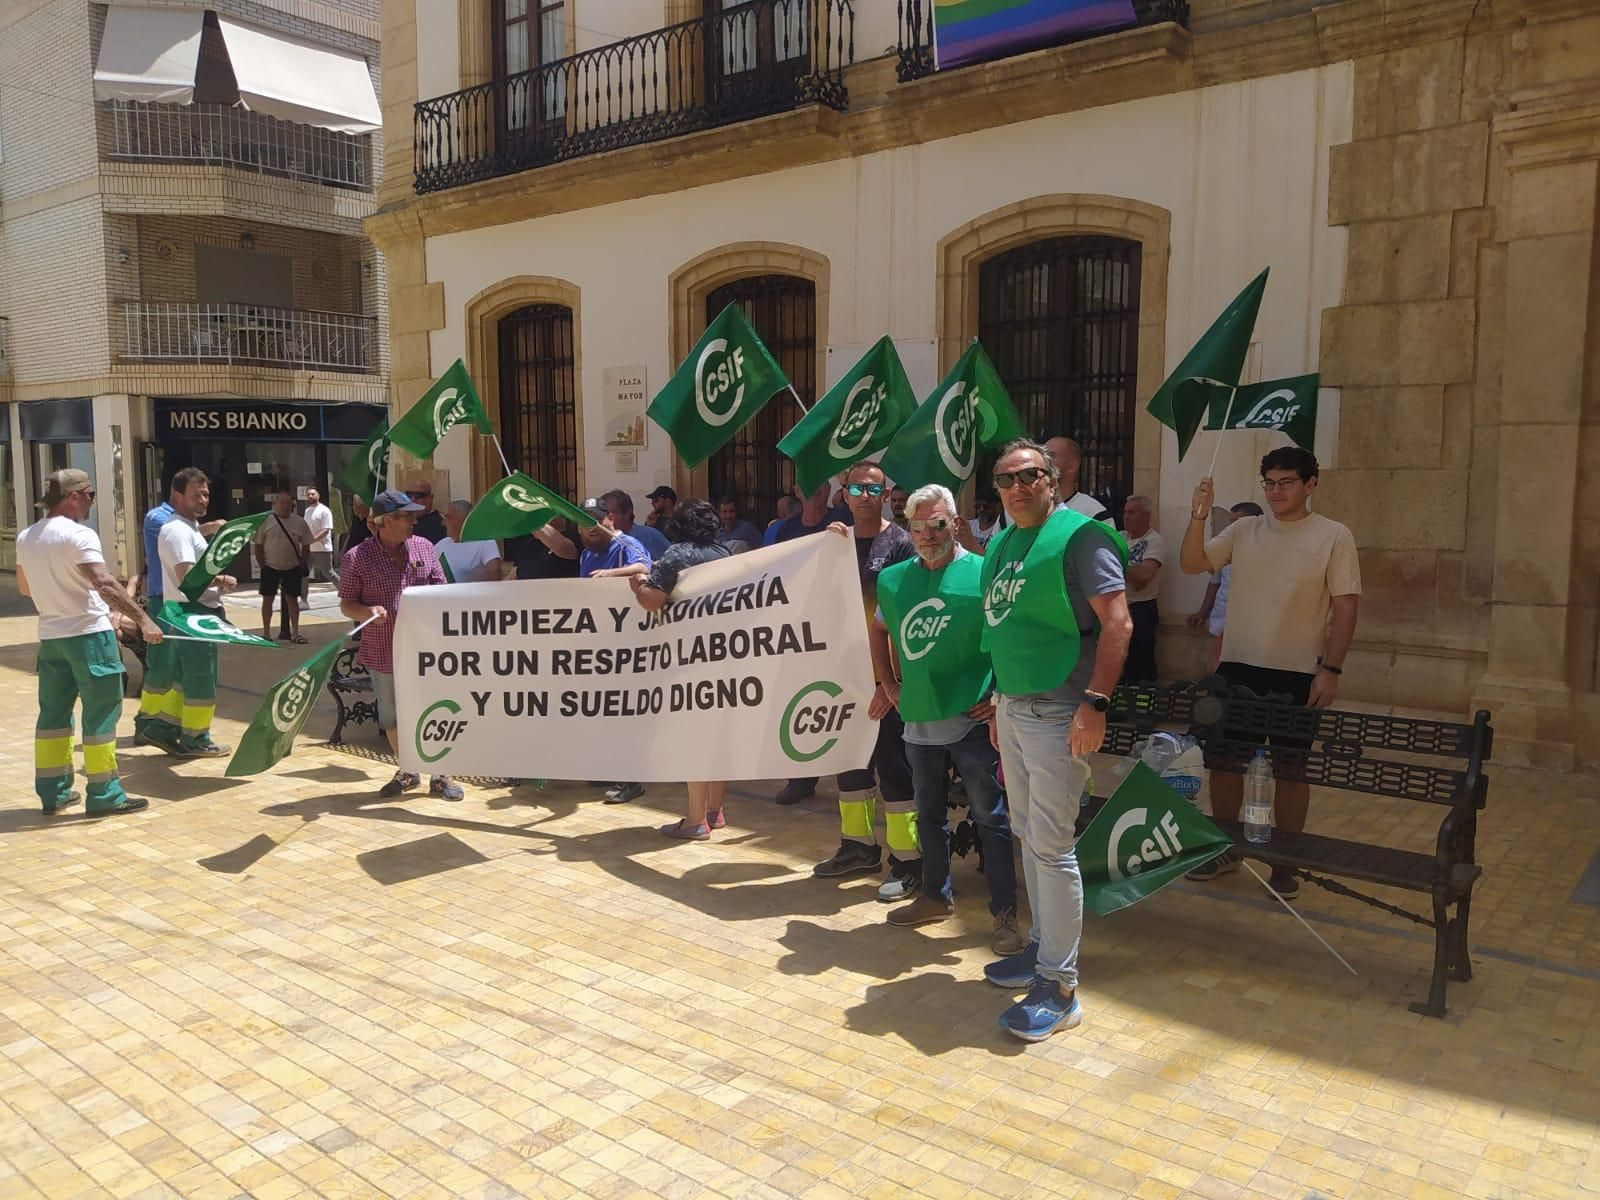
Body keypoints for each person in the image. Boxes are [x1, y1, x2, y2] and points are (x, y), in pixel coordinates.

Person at [979, 438, 1131, 1042]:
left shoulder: (1081, 536)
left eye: (1030, 476)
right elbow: (1000, 623)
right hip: (1016, 706)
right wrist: (997, 701)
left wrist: (1095, 703)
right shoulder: (1004, 540)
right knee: (1030, 836)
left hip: (1061, 707)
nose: (1018, 487)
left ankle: (1059, 985)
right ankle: (1041, 949)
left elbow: (1118, 621)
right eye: (1007, 479)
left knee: (1052, 845)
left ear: (1055, 479)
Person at [1180, 448, 1361, 899]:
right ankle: (1225, 848)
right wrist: (1198, 516)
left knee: (1291, 769)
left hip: (1298, 672)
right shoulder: (1244, 529)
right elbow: (1192, 563)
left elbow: (1346, 605)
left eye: (1286, 482)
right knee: (1224, 764)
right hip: (1238, 667)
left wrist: (1331, 670)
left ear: (1310, 484)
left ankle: (1285, 859)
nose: (1276, 491)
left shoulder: (1334, 536)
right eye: (1269, 483)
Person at [872, 483, 1022, 952]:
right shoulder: (893, 580)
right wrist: (888, 684)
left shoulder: (983, 573)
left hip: (973, 720)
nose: (925, 534)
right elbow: (877, 631)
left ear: (954, 523)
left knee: (990, 817)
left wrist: (998, 691)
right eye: (916, 526)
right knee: (928, 812)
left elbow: (1009, 634)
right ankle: (935, 896)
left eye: (936, 524)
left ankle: (1004, 915)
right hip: (918, 717)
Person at [17, 469, 163, 816]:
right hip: (89, 637)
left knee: (53, 716)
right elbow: (105, 584)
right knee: (100, 716)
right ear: (73, 496)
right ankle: (105, 794)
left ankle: (54, 793)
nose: (92, 502)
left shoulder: (27, 537)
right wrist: (143, 620)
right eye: (91, 494)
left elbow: (25, 588)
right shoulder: (78, 535)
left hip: (51, 638)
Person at [811, 461, 923, 902]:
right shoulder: (832, 542)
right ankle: (857, 847)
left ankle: (908, 861)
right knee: (849, 764)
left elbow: (899, 618)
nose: (863, 495)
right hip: (842, 678)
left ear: (885, 493)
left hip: (885, 681)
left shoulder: (900, 543)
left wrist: (886, 683)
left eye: (872, 488)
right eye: (856, 487)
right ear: (843, 491)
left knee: (895, 771)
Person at [338, 490, 462, 801]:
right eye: (406, 516)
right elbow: (347, 604)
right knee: (392, 717)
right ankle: (408, 769)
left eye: (413, 516)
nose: (413, 521)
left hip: (428, 652)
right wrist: (366, 612)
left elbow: (441, 590)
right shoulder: (356, 557)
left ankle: (441, 774)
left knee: (434, 710)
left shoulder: (424, 547)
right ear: (385, 522)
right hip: (383, 649)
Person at [631, 499, 733, 839]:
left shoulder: (676, 555)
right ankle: (716, 811)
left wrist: (638, 586)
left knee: (694, 740)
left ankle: (695, 819)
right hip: (723, 657)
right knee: (717, 739)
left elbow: (652, 600)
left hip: (689, 659)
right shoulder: (724, 554)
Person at [136, 468, 237, 757]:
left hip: (186, 612)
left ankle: (162, 728)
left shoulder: (186, 528)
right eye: (196, 495)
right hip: (192, 612)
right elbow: (186, 576)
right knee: (200, 678)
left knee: (183, 677)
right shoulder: (178, 530)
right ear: (176, 495)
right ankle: (197, 739)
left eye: (206, 494)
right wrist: (221, 580)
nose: (203, 500)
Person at [772, 480, 854, 806]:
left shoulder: (841, 520)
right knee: (799, 700)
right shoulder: (786, 529)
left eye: (821, 484)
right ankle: (801, 779)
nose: (816, 489)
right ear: (796, 489)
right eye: (810, 482)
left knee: (841, 700)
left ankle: (852, 772)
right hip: (798, 630)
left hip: (837, 627)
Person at [1187, 502, 1262, 674]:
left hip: (1249, 625)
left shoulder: (1265, 551)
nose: (1230, 526)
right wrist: (1202, 612)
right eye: (1230, 521)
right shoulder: (1224, 548)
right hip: (1222, 619)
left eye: (1235, 521)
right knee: (1218, 663)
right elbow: (1215, 582)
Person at [252, 491, 311, 643]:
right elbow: (258, 545)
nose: (285, 506)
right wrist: (262, 565)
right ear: (275, 504)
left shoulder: (299, 522)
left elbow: (306, 545)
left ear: (292, 506)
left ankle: (295, 633)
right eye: (282, 503)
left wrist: (302, 563)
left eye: (288, 504)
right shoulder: (266, 521)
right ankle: (266, 633)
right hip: (270, 567)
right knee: (268, 600)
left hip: (292, 567)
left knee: (292, 600)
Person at [1120, 495, 1166, 683]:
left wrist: (1116, 567)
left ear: (1146, 516)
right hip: (1119, 607)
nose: (1126, 516)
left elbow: (1145, 576)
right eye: (1125, 512)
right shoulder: (1119, 537)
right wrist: (1131, 573)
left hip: (1142, 609)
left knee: (1141, 662)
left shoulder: (1155, 541)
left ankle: (1144, 707)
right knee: (1119, 661)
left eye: (1132, 512)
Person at [1043, 436, 1111, 521]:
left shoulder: (1093, 513)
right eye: (1042, 455)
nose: (1043, 460)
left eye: (1051, 455)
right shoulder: (1027, 509)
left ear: (1072, 466)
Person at [434, 500, 502, 583]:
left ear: (463, 519)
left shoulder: (485, 542)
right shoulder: (442, 544)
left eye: (448, 517)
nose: (443, 523)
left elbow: (494, 571)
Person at [601, 488, 669, 559]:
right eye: (601, 514)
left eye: (609, 514)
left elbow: (676, 562)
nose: (603, 519)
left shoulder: (651, 536)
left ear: (627, 513)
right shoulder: (598, 540)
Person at [304, 487, 335, 582]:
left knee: (328, 573)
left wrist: (312, 539)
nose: (310, 496)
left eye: (312, 494)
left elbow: (326, 530)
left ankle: (347, 592)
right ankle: (303, 596)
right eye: (308, 494)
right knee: (303, 574)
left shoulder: (324, 511)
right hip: (308, 549)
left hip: (322, 549)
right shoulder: (307, 511)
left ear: (318, 495)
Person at [403, 477, 447, 543]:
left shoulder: (439, 525)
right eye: (409, 495)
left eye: (418, 496)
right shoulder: (402, 521)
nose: (413, 500)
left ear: (430, 498)